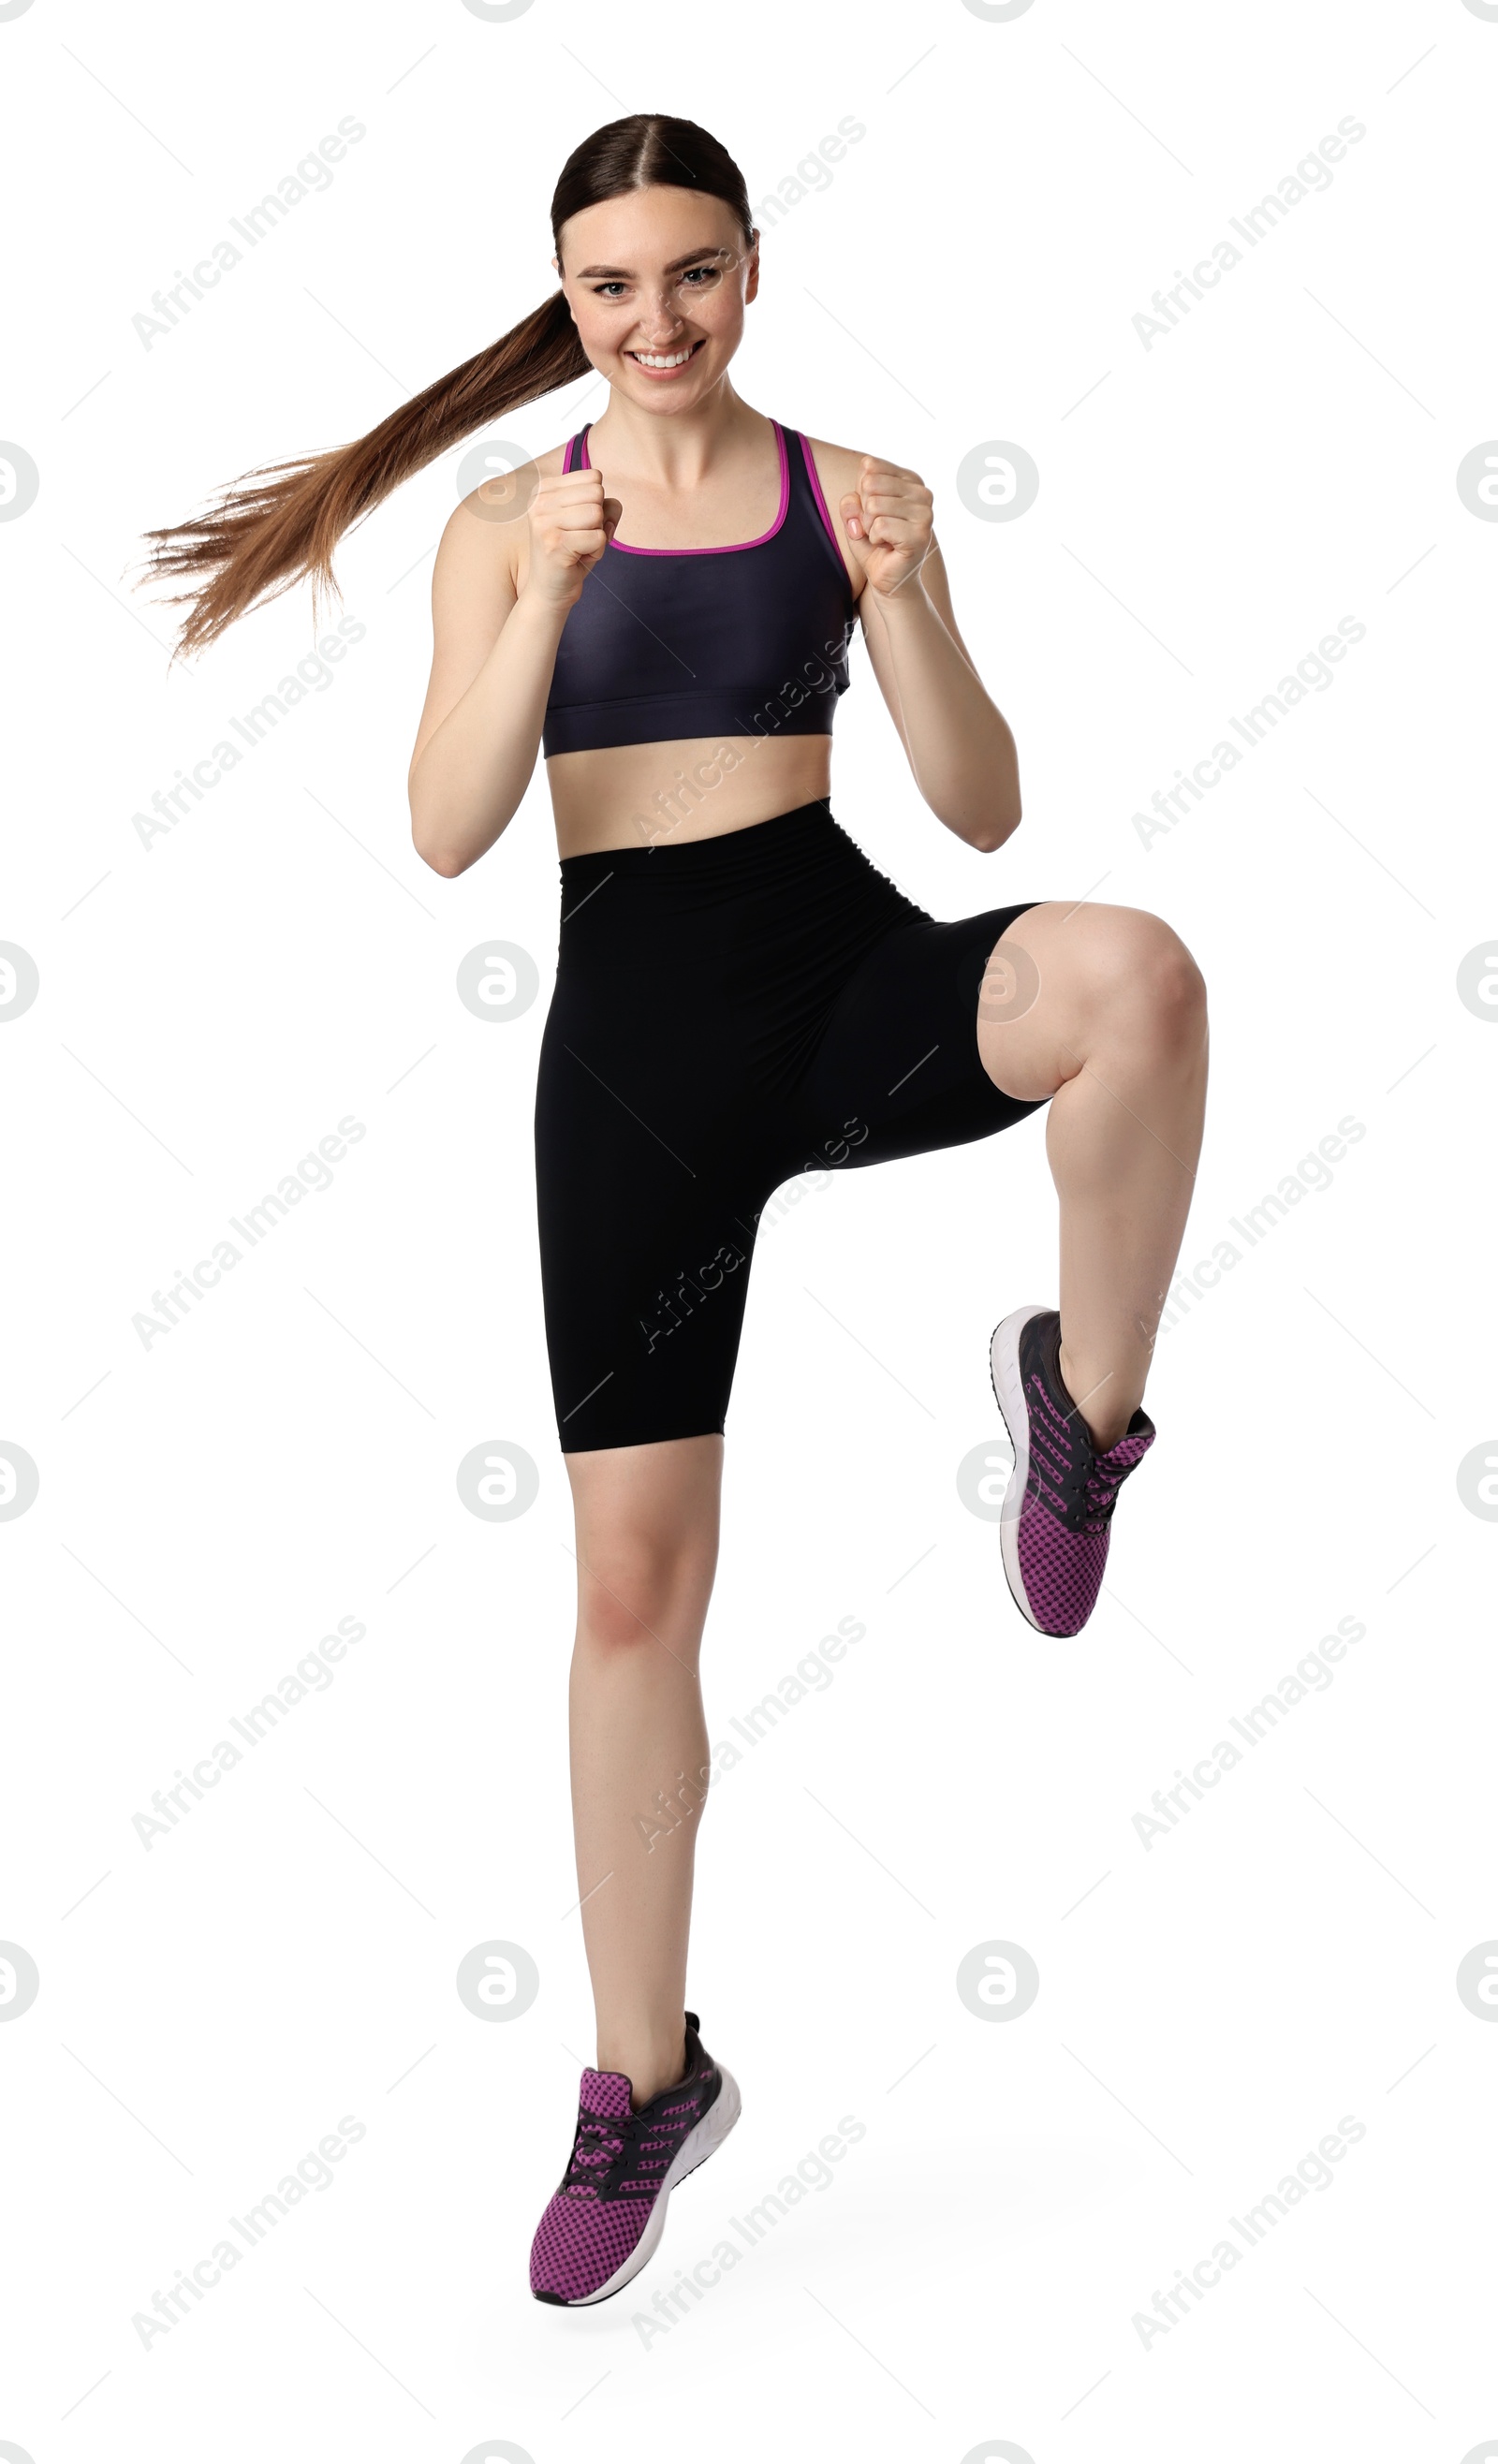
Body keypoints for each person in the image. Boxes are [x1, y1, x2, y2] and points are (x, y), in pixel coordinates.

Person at [141, 112, 1209, 2310]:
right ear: (569, 293)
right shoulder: (500, 520)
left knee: (1135, 975)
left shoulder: (843, 491)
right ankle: (645, 2078)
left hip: (835, 986)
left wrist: (906, 602)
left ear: (750, 271)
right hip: (634, 1070)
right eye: (613, 286)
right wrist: (532, 597)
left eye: (693, 275)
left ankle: (1081, 1418)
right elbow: (445, 829)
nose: (656, 321)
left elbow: (983, 798)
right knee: (631, 1595)